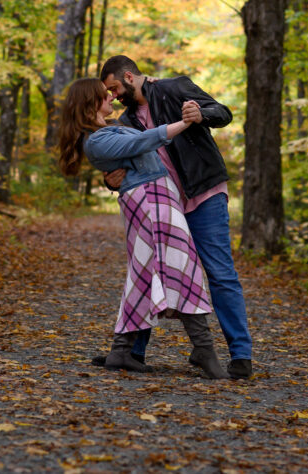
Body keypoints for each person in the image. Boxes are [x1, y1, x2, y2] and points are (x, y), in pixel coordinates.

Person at [57, 78, 230, 380]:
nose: (111, 98)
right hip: (150, 200)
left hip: (156, 196)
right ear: (90, 103)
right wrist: (184, 123)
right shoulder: (95, 140)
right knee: (183, 266)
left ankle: (122, 349)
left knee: (144, 274)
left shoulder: (105, 132)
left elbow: (132, 151)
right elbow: (143, 141)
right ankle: (204, 348)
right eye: (104, 96)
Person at [98, 56, 253, 379]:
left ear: (129, 76)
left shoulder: (173, 88)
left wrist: (201, 114)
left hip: (203, 193)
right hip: (162, 204)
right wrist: (110, 178)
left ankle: (241, 355)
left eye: (114, 88)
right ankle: (131, 352)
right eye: (108, 93)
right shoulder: (126, 121)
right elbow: (125, 157)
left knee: (219, 271)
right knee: (150, 270)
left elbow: (223, 112)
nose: (113, 96)